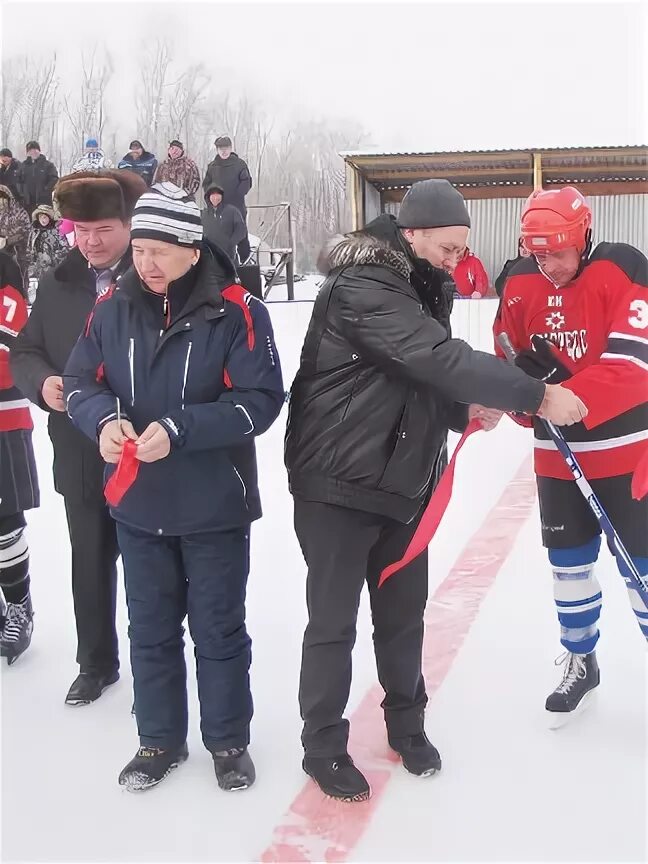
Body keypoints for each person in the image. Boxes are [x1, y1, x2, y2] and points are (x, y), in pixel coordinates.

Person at [284, 178, 587, 802]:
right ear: (412, 233)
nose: (457, 260)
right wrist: (535, 393)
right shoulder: (364, 283)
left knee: (402, 619)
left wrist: (461, 411)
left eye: (461, 249)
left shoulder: (423, 287)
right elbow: (431, 356)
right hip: (337, 482)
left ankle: (407, 725)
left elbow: (412, 378)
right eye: (448, 248)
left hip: (402, 482)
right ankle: (323, 746)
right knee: (333, 623)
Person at [64, 182, 285, 793]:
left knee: (217, 629)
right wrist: (103, 419)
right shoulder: (110, 310)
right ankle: (158, 739)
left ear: (192, 248)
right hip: (138, 506)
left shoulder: (238, 311)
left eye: (160, 250)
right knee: (150, 628)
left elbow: (261, 401)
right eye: (140, 250)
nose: (146, 263)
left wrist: (180, 428)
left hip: (215, 505)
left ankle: (228, 741)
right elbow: (80, 380)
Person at [493, 186, 648, 724]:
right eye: (539, 254)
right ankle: (582, 660)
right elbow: (506, 354)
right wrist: (523, 395)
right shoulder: (517, 281)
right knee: (568, 566)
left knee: (642, 571)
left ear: (583, 236)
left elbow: (634, 365)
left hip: (628, 456)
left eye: (558, 252)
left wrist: (560, 394)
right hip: (556, 461)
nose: (550, 265)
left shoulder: (624, 268)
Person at [11, 169, 148, 705]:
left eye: (104, 229)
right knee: (88, 559)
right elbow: (26, 349)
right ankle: (95, 662)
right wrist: (41, 381)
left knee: (149, 567)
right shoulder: (61, 280)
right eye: (81, 229)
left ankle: (154, 665)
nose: (90, 241)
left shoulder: (153, 277)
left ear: (129, 226)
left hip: (143, 449)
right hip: (78, 447)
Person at [0, 250, 39, 665]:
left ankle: (19, 606)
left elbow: (8, 357)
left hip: (3, 420)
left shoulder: (4, 273)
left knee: (4, 524)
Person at [202, 136, 252, 262]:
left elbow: (246, 181)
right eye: (220, 148)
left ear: (230, 148)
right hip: (217, 207)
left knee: (240, 234)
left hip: (236, 205)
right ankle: (217, 262)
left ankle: (244, 262)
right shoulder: (212, 166)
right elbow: (206, 184)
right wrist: (212, 197)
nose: (223, 151)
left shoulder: (239, 164)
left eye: (226, 148)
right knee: (217, 235)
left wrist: (238, 195)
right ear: (217, 150)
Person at [201, 182, 248, 263]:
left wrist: (231, 243)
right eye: (212, 195)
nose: (215, 198)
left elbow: (241, 230)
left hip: (227, 256)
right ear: (208, 197)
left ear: (222, 196)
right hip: (208, 257)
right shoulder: (203, 214)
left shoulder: (232, 211)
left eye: (218, 195)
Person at [0, 184, 30, 291]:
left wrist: (7, 240)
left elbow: (25, 232)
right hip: (2, 253)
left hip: (17, 252)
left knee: (18, 275)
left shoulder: (18, 212)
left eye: (2, 197)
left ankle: (22, 295)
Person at [28, 204, 68, 283]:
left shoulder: (56, 230)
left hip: (54, 264)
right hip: (39, 265)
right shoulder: (34, 231)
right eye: (40, 217)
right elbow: (30, 247)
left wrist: (57, 256)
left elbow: (64, 247)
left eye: (45, 217)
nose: (43, 220)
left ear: (49, 218)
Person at [21, 142, 59, 212]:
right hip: (27, 203)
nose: (33, 152)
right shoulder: (23, 166)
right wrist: (22, 193)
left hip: (44, 202)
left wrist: (45, 190)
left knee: (43, 221)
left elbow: (54, 179)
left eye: (35, 150)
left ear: (39, 151)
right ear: (27, 153)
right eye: (30, 151)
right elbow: (18, 181)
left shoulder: (48, 165)